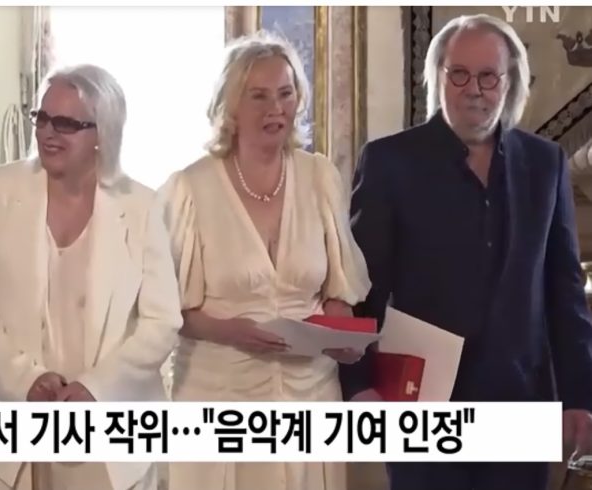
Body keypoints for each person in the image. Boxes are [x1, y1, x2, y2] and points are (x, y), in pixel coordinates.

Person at [342, 13, 592, 490]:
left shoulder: (546, 164)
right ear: (437, 77)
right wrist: (358, 386)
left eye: (488, 76)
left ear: (510, 82)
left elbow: (565, 294)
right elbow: (361, 289)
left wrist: (581, 396)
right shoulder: (390, 162)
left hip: (522, 406)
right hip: (421, 407)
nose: (473, 89)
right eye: (458, 73)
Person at [0, 63, 182, 490]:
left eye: (66, 124)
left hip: (110, 431)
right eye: (42, 118)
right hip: (16, 423)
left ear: (102, 133)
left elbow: (162, 321)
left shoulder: (143, 207)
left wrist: (97, 389)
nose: (47, 133)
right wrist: (25, 381)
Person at [157, 31, 371, 490]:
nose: (276, 108)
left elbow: (338, 291)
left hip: (311, 400)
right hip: (220, 399)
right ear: (231, 105)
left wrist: (342, 337)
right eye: (259, 96)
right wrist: (229, 330)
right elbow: (167, 311)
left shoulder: (319, 177)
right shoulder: (190, 188)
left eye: (285, 93)